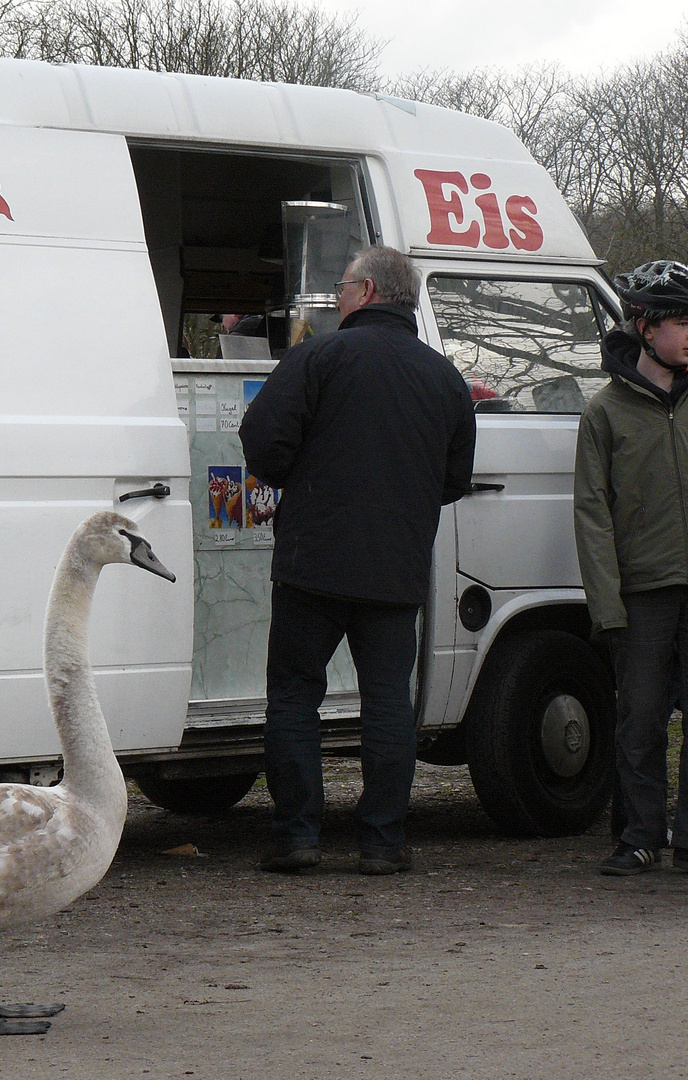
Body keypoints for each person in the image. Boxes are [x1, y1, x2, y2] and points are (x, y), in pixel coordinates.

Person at [238, 246, 476, 875]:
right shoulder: (444, 377)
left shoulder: (316, 357)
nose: (335, 298)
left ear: (366, 291)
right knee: (388, 704)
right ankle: (381, 843)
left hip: (310, 563)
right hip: (395, 571)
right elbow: (455, 479)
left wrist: (301, 477)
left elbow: (262, 442)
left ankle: (296, 838)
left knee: (293, 696)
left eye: (341, 287)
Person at [574, 259, 688, 876]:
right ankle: (639, 836)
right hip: (642, 592)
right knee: (639, 721)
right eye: (681, 320)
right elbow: (591, 514)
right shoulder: (605, 413)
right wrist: (607, 606)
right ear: (644, 327)